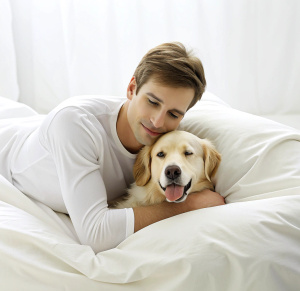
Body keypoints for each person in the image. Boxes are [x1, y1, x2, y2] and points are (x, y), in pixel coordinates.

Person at [0, 42, 225, 253]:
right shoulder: (76, 125)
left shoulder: (169, 140)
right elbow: (96, 234)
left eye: (174, 114)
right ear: (131, 88)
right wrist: (188, 205)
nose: (157, 121)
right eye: (152, 102)